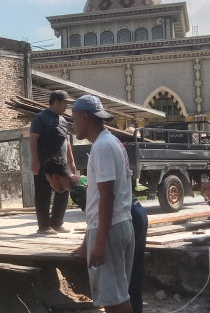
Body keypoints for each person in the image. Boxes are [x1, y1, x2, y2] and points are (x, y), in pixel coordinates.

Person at [43, 156, 147, 313]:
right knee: (134, 271)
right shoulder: (83, 179)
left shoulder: (76, 191)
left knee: (121, 282)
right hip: (138, 212)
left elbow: (95, 219)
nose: (51, 185)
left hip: (126, 216)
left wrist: (87, 246)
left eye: (49, 181)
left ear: (54, 177)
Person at [70, 95, 135, 313]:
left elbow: (107, 197)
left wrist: (99, 241)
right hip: (117, 225)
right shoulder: (111, 141)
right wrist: (87, 242)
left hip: (110, 230)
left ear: (84, 117)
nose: (73, 126)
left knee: (114, 299)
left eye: (74, 120)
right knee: (116, 295)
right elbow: (98, 197)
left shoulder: (102, 147)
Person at [30, 90, 77, 235]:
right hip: (45, 164)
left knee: (64, 190)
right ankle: (44, 226)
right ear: (56, 102)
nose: (66, 107)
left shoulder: (63, 120)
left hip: (61, 164)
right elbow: (33, 139)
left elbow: (66, 142)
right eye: (65, 103)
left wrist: (71, 161)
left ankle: (57, 223)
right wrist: (35, 161)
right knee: (43, 193)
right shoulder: (40, 118)